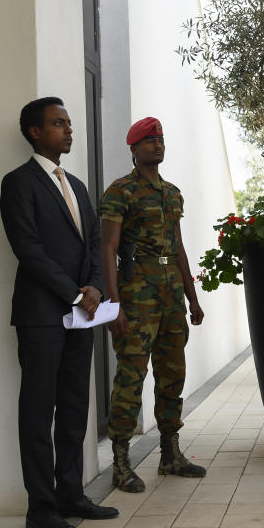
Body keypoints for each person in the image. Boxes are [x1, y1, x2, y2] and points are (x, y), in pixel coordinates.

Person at [0, 97, 119, 528]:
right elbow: (27, 249)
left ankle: (71, 494)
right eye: (58, 123)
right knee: (38, 410)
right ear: (34, 132)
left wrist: (94, 286)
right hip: (41, 316)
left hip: (80, 315)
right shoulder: (18, 183)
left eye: (68, 123)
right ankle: (41, 507)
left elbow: (92, 242)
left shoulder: (77, 185)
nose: (68, 130)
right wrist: (74, 292)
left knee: (74, 407)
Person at [98, 117, 207, 493]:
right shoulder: (120, 191)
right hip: (136, 293)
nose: (157, 145)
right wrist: (113, 306)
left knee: (172, 372)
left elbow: (177, 247)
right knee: (131, 376)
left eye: (160, 140)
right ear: (133, 149)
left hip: (171, 294)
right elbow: (107, 248)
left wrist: (192, 297)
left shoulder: (172, 193)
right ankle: (121, 461)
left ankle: (170, 453)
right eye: (149, 141)